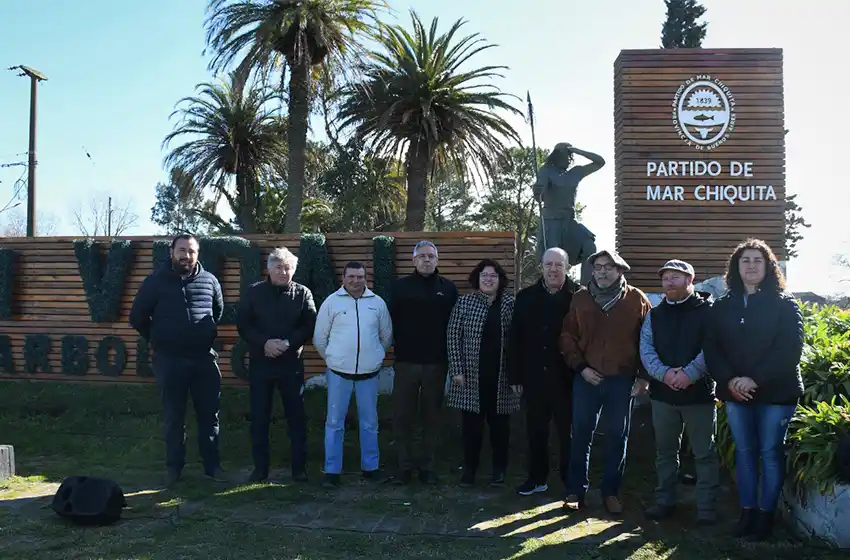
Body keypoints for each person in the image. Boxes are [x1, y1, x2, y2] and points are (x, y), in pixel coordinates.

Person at [704, 239, 804, 541]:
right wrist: (731, 380)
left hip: (776, 394)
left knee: (770, 453)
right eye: (745, 260)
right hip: (736, 394)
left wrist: (753, 379)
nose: (751, 265)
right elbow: (712, 348)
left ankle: (765, 516)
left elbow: (789, 351)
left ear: (768, 266)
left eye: (757, 260)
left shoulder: (785, 305)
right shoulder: (721, 306)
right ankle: (747, 513)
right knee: (745, 454)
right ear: (736, 267)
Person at [129, 233, 227, 486]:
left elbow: (216, 313)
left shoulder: (210, 281)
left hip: (203, 360)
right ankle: (175, 468)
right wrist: (159, 339)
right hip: (169, 361)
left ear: (198, 254)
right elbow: (137, 318)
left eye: (191, 251)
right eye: (181, 250)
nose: (186, 255)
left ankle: (212, 467)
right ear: (172, 252)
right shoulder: (154, 282)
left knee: (210, 416)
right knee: (174, 416)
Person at [560, 249, 651, 514]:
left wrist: (644, 377)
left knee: (617, 436)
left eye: (608, 267)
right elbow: (567, 337)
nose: (602, 272)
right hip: (587, 378)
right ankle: (576, 491)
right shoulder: (581, 298)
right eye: (598, 267)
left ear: (620, 270)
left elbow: (648, 341)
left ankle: (611, 492)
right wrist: (581, 368)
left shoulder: (637, 299)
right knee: (580, 435)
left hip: (621, 380)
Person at [639, 259, 719, 525]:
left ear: (689, 280)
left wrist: (689, 374)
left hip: (699, 395)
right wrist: (665, 374)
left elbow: (712, 348)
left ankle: (706, 508)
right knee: (665, 452)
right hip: (663, 396)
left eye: (675, 277)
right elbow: (646, 349)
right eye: (665, 278)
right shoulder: (655, 314)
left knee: (704, 453)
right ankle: (665, 501)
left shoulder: (708, 311)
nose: (669, 282)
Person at [237, 247, 317, 483]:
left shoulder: (303, 293)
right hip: (262, 364)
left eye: (288, 268)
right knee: (260, 417)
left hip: (291, 364)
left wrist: (288, 343)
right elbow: (244, 325)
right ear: (269, 269)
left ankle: (299, 469)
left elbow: (309, 324)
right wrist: (265, 343)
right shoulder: (254, 292)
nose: (284, 272)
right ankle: (260, 469)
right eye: (279, 267)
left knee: (296, 418)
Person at [313, 261, 393, 488]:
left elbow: (386, 336)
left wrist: (374, 356)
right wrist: (333, 359)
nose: (356, 281)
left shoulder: (377, 303)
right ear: (344, 278)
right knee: (334, 423)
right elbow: (320, 337)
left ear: (366, 278)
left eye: (360, 277)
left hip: (369, 374)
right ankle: (332, 471)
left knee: (369, 422)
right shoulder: (331, 302)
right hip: (338, 374)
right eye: (351, 277)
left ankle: (371, 468)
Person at [507, 247, 578, 496]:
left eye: (559, 264)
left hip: (568, 378)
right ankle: (537, 478)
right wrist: (514, 375)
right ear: (541, 267)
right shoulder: (526, 296)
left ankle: (571, 480)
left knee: (568, 432)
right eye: (548, 264)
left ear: (567, 267)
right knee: (536, 431)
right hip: (534, 376)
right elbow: (514, 338)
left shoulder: (579, 296)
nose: (553, 269)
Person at [389, 240, 459, 485]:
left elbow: (455, 327)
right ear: (413, 260)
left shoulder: (449, 290)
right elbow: (389, 323)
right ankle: (404, 467)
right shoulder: (399, 288)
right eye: (422, 256)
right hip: (406, 363)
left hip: (436, 364)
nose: (427, 260)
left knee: (432, 417)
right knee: (403, 416)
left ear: (437, 260)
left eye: (431, 256)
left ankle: (428, 467)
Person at [446, 259, 519, 487]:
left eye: (493, 276)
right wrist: (456, 369)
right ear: (477, 279)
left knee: (500, 429)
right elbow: (452, 336)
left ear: (500, 280)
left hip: (502, 379)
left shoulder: (510, 303)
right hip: (470, 378)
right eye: (484, 275)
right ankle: (469, 471)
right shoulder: (465, 303)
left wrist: (518, 375)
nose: (488, 279)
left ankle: (499, 471)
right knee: (471, 429)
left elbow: (519, 340)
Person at [533, 142, 605, 285]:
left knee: (589, 247)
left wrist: (577, 150)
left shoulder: (575, 172)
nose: (568, 159)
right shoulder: (546, 171)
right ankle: (553, 289)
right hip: (552, 222)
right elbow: (539, 196)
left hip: (570, 223)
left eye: (570, 156)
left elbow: (600, 162)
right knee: (554, 258)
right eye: (566, 155)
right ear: (557, 156)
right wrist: (538, 192)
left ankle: (585, 290)